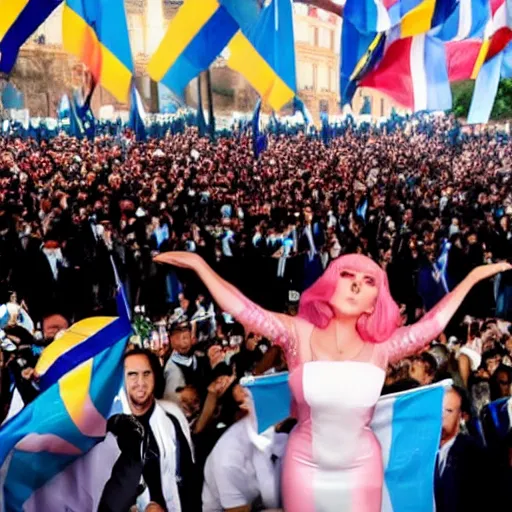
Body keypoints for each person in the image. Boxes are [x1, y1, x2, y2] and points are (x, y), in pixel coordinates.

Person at [155, 251, 511, 512]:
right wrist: (201, 266)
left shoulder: (382, 348)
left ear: (374, 303)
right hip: (304, 465)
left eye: (368, 280)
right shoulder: (296, 333)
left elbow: (433, 325)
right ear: (330, 282)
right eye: (348, 274)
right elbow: (244, 309)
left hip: (361, 468)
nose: (356, 284)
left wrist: (473, 277)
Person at [99, 348, 201, 512]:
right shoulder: (109, 429)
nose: (141, 382)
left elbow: (189, 476)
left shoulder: (172, 416)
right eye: (132, 374)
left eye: (146, 374)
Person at [434, 386, 490, 512]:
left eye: (448, 411)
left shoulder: (475, 455)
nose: (440, 416)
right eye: (436, 410)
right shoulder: (419, 452)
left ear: (462, 416)